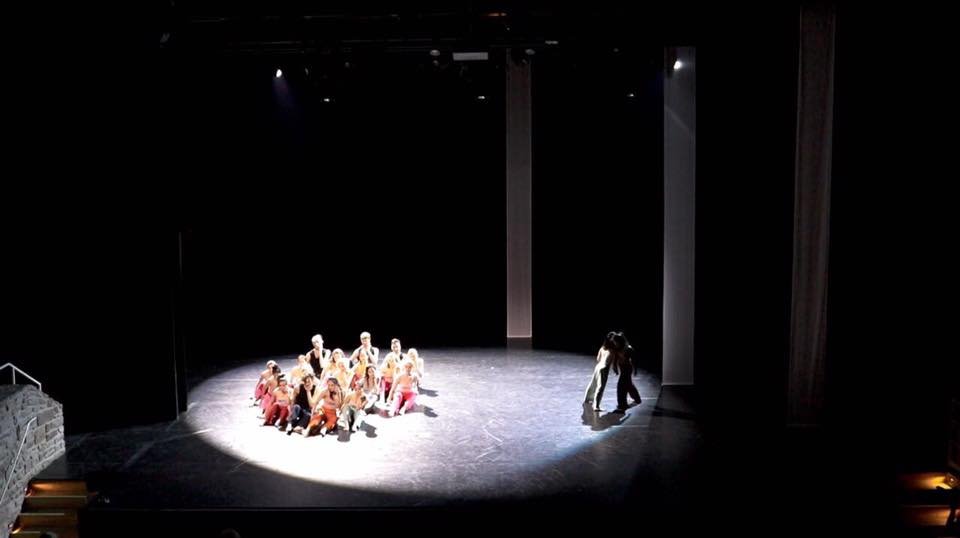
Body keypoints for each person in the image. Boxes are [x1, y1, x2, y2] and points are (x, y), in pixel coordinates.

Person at [583, 332, 617, 412]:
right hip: (604, 368)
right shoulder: (613, 350)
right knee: (600, 387)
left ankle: (587, 399)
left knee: (593, 384)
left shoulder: (602, 348)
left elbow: (598, 358)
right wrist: (615, 369)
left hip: (598, 366)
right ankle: (596, 406)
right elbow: (613, 362)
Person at [610, 332, 642, 412]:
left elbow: (634, 360)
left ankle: (622, 404)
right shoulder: (617, 348)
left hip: (627, 368)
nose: (615, 344)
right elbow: (615, 359)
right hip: (622, 368)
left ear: (619, 341)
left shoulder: (628, 348)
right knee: (628, 384)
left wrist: (635, 369)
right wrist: (615, 367)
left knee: (621, 385)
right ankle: (637, 398)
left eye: (616, 342)